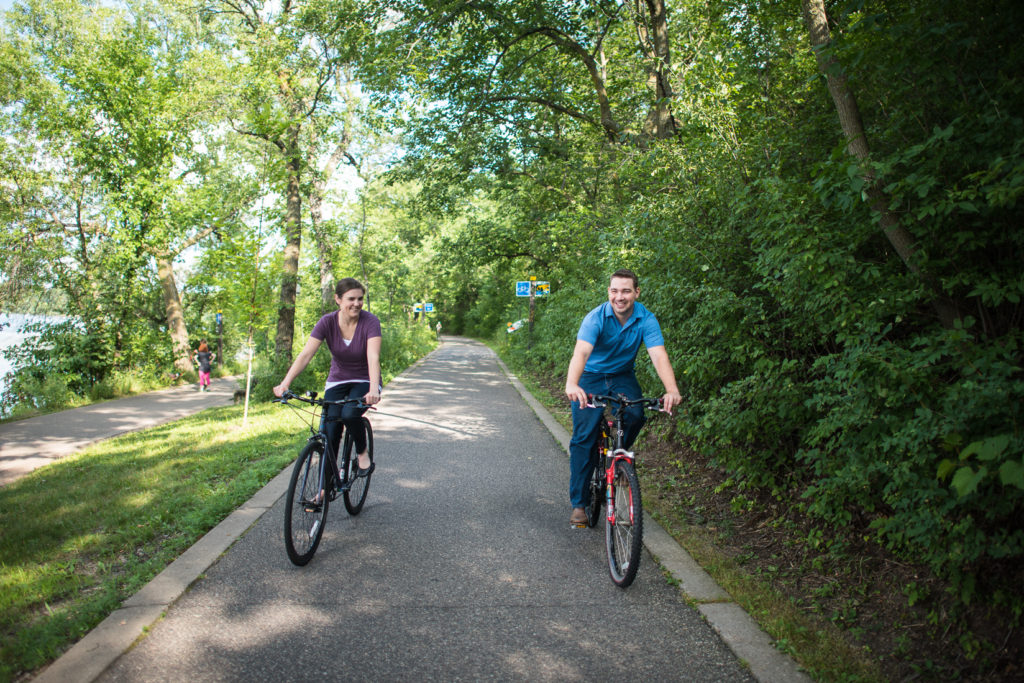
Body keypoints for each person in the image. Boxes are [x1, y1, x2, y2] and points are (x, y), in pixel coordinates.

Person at [564, 268, 682, 526]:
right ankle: (580, 505)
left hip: (621, 376)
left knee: (637, 414)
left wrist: (671, 389)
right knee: (583, 439)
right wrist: (572, 383)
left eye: (626, 291)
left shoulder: (646, 319)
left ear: (636, 293)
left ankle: (616, 460)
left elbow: (658, 355)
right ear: (609, 292)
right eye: (615, 290)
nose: (620, 296)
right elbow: (581, 353)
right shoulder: (595, 318)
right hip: (590, 376)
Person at [273, 278, 382, 478]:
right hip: (338, 379)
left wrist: (373, 389)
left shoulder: (370, 321)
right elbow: (305, 355)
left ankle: (361, 451)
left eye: (360, 299)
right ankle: (325, 487)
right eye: (351, 299)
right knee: (330, 431)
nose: (356, 303)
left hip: (365, 379)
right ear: (338, 299)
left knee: (349, 415)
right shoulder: (327, 322)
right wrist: (285, 383)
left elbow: (373, 357)